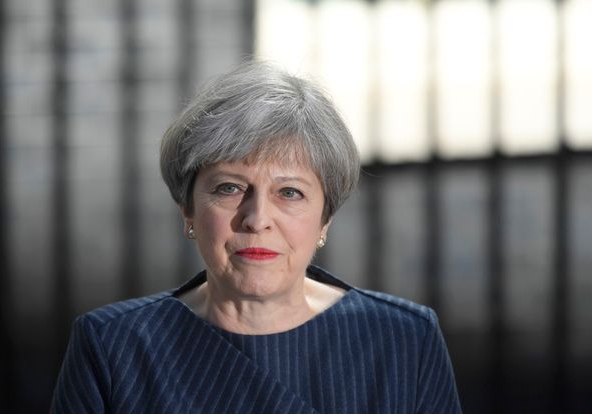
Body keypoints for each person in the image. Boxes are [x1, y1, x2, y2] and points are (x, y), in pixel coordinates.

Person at [51, 61, 462, 413]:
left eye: (290, 192)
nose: (257, 219)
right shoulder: (111, 345)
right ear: (188, 209)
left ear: (325, 220)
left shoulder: (405, 339)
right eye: (229, 188)